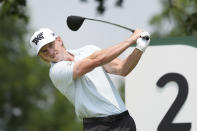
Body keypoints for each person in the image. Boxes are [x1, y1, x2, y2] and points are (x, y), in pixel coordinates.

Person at [30, 28, 150, 131]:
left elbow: (122, 69)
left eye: (51, 45)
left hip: (124, 121)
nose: (50, 52)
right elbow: (96, 61)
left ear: (59, 40)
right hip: (98, 126)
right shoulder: (56, 72)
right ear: (41, 57)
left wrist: (139, 48)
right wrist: (131, 39)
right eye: (44, 51)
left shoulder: (89, 50)